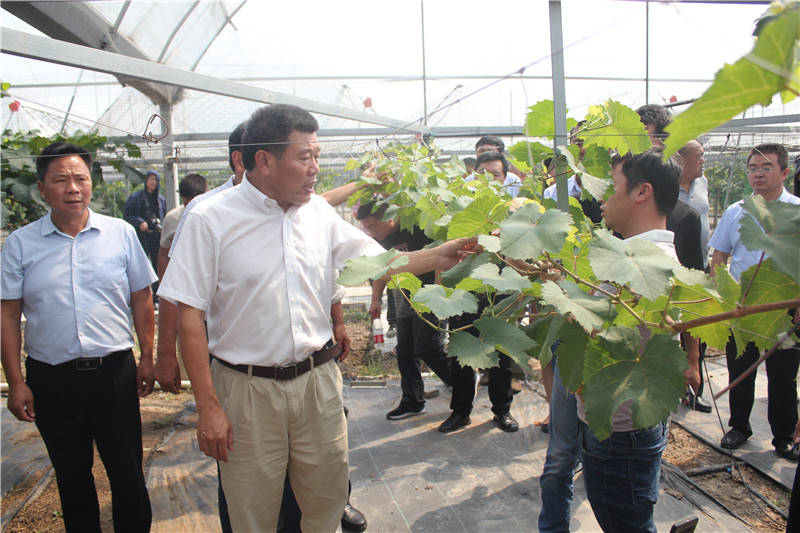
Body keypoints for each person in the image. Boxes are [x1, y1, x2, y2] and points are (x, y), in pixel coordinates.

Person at [158, 104, 471, 531]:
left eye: (317, 156)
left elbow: (383, 263)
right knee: (252, 513)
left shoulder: (318, 214)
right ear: (264, 161)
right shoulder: (211, 220)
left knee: (326, 502)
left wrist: (448, 250)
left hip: (317, 385)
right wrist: (208, 406)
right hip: (247, 390)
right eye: (305, 157)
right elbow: (188, 317)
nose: (315, 169)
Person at [1, 142, 156, 532]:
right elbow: (7, 313)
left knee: (127, 476)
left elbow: (142, 298)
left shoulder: (120, 234)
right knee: (72, 477)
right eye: (61, 179)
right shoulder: (20, 244)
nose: (72, 187)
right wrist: (16, 382)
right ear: (42, 188)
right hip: (52, 379)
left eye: (80, 178)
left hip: (114, 373)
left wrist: (148, 356)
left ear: (91, 184)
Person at [578, 149, 698, 532]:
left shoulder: (642, 265)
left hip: (620, 430)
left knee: (625, 524)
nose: (602, 197)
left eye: (612, 186)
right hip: (624, 425)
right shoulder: (641, 254)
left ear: (642, 192)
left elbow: (601, 334)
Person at [710, 143, 800, 461]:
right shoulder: (737, 211)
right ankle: (739, 427)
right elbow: (719, 257)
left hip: (784, 308)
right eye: (752, 168)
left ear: (785, 172)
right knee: (741, 369)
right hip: (742, 305)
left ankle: (784, 436)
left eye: (766, 168)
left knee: (783, 373)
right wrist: (725, 295)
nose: (757, 174)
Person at [440, 154, 520, 434]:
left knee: (501, 353)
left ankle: (503, 410)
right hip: (466, 287)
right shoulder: (464, 211)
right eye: (481, 173)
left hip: (500, 288)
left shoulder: (515, 211)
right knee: (461, 349)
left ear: (505, 178)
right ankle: (460, 412)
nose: (487, 179)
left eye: (494, 174)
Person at [359, 202, 454, 419]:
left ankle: (460, 381)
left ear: (389, 217)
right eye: (367, 229)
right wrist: (375, 300)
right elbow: (381, 271)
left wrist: (439, 295)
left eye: (373, 226)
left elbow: (442, 259)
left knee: (428, 347)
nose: (372, 232)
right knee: (405, 351)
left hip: (432, 294)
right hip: (408, 296)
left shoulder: (417, 226)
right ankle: (412, 401)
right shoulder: (380, 242)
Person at [154, 173, 208, 393]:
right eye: (187, 202)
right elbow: (164, 259)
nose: (191, 206)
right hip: (189, 294)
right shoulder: (174, 218)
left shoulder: (218, 210)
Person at [124, 169, 166, 301]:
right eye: (151, 179)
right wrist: (140, 222)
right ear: (146, 181)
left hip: (156, 236)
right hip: (141, 236)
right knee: (140, 264)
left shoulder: (160, 200)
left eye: (155, 180)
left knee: (157, 264)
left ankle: (156, 295)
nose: (153, 182)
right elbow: (127, 216)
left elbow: (163, 217)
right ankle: (141, 294)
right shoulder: (135, 198)